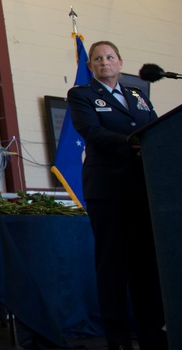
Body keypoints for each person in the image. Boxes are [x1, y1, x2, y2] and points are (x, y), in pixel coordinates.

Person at [67, 41, 166, 350]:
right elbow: (91, 132)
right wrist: (134, 144)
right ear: (91, 66)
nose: (104, 63)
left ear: (121, 62)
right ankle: (118, 339)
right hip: (108, 191)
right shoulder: (82, 95)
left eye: (110, 57)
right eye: (98, 59)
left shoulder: (138, 95)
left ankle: (153, 335)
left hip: (142, 191)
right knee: (113, 267)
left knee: (146, 269)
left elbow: (158, 128)